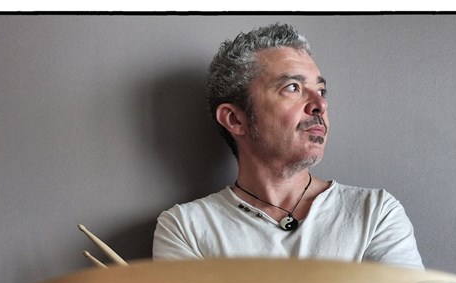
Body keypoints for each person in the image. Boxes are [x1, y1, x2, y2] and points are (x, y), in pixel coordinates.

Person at [152, 23, 423, 269]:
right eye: (293, 87)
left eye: (321, 91)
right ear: (235, 119)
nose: (320, 104)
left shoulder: (375, 213)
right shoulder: (185, 229)